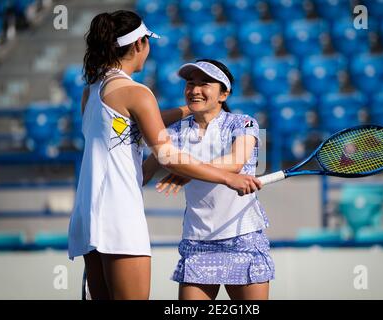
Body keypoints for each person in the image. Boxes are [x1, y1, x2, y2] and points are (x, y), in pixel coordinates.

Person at [67, 11, 262, 300]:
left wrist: (187, 110)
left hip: (87, 212)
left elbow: (137, 124)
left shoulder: (92, 90)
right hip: (119, 212)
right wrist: (226, 178)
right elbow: (167, 155)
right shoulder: (136, 92)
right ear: (139, 45)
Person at [143, 59, 274, 300]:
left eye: (204, 84)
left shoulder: (243, 122)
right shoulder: (174, 132)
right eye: (190, 84)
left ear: (224, 94)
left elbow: (235, 161)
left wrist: (185, 171)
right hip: (198, 241)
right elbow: (144, 169)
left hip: (242, 237)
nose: (194, 90)